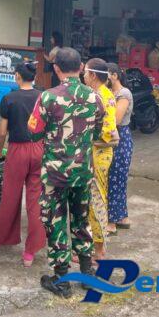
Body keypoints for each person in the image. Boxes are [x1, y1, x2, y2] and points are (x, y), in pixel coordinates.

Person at [29, 47, 105, 298]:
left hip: (55, 174)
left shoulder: (47, 97)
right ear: (81, 68)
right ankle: (87, 274)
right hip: (83, 172)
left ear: (56, 68)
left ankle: (62, 280)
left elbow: (33, 132)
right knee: (81, 220)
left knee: (56, 221)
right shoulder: (95, 98)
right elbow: (97, 133)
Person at [0, 62, 46, 266]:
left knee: (10, 197)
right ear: (34, 77)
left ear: (17, 76)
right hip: (39, 149)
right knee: (36, 201)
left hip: (17, 150)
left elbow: (2, 132)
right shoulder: (43, 97)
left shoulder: (9, 98)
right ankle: (30, 252)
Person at [81, 58, 119, 261]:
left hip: (97, 155)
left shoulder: (98, 97)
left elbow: (106, 134)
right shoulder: (106, 93)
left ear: (93, 75)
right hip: (102, 154)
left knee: (95, 202)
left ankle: (98, 251)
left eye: (86, 72)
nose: (83, 76)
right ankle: (95, 246)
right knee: (97, 200)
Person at [105, 63, 134, 234]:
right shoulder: (110, 92)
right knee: (114, 179)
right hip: (113, 138)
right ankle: (122, 217)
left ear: (114, 76)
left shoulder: (124, 94)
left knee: (115, 180)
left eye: (106, 75)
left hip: (120, 139)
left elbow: (116, 120)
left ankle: (112, 222)